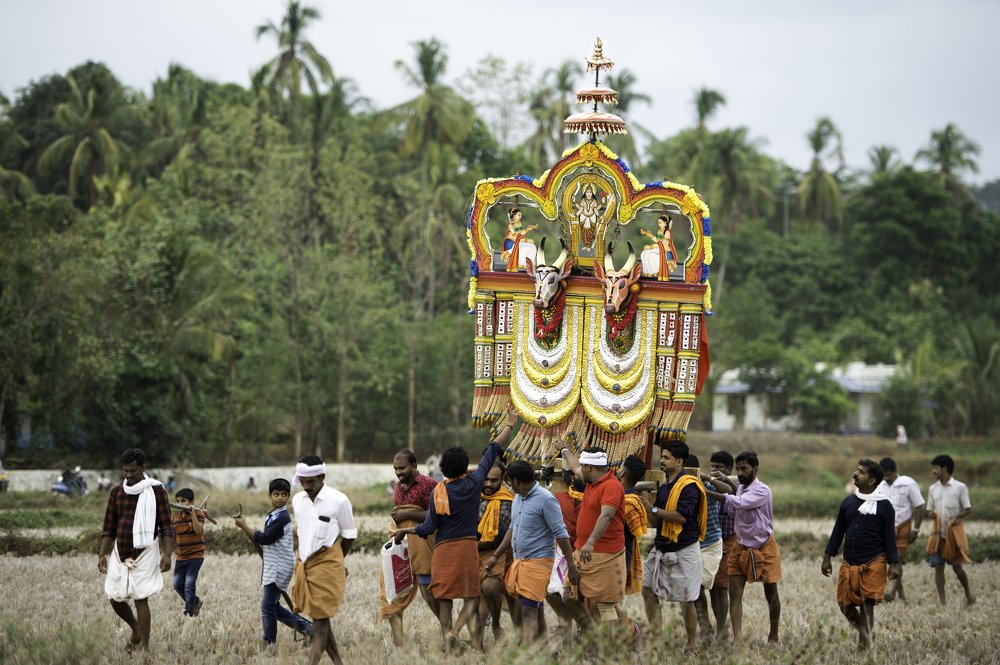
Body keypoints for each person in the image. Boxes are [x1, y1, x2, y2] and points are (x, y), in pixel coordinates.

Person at [393, 410, 515, 653]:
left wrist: (406, 531)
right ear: (464, 467)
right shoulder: (474, 483)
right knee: (471, 597)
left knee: (444, 600)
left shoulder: (439, 490)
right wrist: (509, 425)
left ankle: (448, 648)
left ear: (444, 469)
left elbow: (429, 527)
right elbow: (491, 451)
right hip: (467, 548)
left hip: (443, 551)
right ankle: (459, 634)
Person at [554, 441, 640, 647]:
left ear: (590, 468)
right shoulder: (592, 479)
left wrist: (591, 542)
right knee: (569, 597)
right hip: (582, 553)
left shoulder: (611, 486)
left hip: (606, 554)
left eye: (583, 467)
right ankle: (595, 636)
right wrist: (564, 449)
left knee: (605, 607)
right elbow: (574, 466)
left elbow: (607, 515)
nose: (578, 471)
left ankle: (615, 646)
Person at [486, 460, 580, 645]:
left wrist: (571, 566)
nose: (509, 486)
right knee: (534, 609)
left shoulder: (546, 499)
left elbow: (561, 534)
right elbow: (513, 528)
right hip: (521, 562)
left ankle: (527, 654)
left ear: (516, 481)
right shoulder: (518, 497)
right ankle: (541, 649)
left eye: (509, 482)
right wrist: (496, 556)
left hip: (539, 563)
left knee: (528, 611)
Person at [98, 448, 174, 654]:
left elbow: (166, 525)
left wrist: (167, 554)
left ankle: (145, 647)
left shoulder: (157, 490)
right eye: (126, 471)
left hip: (145, 552)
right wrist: (102, 554)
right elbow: (109, 527)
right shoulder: (117, 492)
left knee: (141, 598)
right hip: (119, 552)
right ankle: (136, 628)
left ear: (143, 467)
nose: (129, 475)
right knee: (114, 597)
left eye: (133, 471)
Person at [704, 450, 781, 648]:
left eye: (744, 468)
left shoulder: (762, 490)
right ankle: (738, 640)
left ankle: (774, 633)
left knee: (771, 594)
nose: (740, 472)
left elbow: (738, 503)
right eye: (738, 469)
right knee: (734, 593)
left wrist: (708, 490)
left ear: (755, 469)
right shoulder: (740, 489)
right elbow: (733, 504)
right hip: (741, 547)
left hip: (764, 546)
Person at [822, 459, 901, 651]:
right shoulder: (848, 502)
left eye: (862, 472)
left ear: (872, 480)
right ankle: (865, 632)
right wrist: (827, 557)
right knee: (844, 606)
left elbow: (890, 537)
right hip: (849, 561)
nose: (856, 474)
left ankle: (864, 645)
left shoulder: (885, 506)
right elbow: (838, 531)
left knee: (868, 604)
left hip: (874, 561)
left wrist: (894, 563)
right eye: (857, 471)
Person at [639, 442, 706, 654]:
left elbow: (681, 517)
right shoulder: (666, 486)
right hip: (661, 548)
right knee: (647, 589)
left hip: (684, 549)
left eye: (666, 457)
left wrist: (654, 509)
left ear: (679, 461)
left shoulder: (689, 486)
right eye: (662, 456)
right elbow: (659, 520)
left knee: (687, 599)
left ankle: (691, 644)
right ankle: (657, 639)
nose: (662, 461)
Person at [291, 454, 358, 665]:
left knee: (319, 623)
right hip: (304, 566)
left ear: (322, 477)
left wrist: (336, 560)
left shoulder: (339, 500)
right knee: (322, 620)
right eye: (302, 481)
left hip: (327, 567)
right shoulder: (297, 501)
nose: (306, 486)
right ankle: (338, 662)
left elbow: (349, 535)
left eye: (310, 482)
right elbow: (302, 533)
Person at [232, 478, 313, 645]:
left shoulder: (281, 517)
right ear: (270, 495)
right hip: (275, 566)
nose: (280, 498)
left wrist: (244, 526)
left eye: (284, 495)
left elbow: (265, 538)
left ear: (288, 497)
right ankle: (307, 629)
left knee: (268, 606)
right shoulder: (274, 515)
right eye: (276, 494)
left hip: (279, 567)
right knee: (271, 606)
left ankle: (271, 640)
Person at [381, 448, 439, 647]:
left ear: (414, 466)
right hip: (401, 544)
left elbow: (436, 515)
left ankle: (449, 631)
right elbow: (399, 513)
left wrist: (407, 516)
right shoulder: (398, 486)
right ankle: (398, 642)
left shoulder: (429, 485)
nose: (398, 472)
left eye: (402, 468)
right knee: (394, 590)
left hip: (422, 543)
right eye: (396, 468)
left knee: (427, 589)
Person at [926, 454, 974, 606]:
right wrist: (932, 514)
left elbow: (967, 509)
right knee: (938, 568)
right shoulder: (932, 489)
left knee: (958, 569)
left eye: (936, 468)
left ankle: (968, 594)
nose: (933, 471)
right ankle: (943, 603)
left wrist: (957, 518)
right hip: (938, 534)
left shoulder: (960, 487)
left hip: (953, 535)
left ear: (945, 469)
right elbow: (930, 509)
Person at [476, 459, 516, 644]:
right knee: (477, 596)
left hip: (497, 551)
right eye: (486, 479)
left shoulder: (508, 499)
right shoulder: (474, 496)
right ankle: (477, 642)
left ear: (503, 479)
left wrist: (470, 546)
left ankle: (498, 625)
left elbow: (498, 538)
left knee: (492, 588)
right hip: (473, 551)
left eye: (494, 480)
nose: (488, 484)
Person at [876, 457, 925, 602]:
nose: (887, 478)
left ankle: (891, 593)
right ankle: (902, 596)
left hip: (903, 526)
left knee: (896, 559)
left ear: (895, 471)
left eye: (889, 475)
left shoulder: (908, 484)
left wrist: (916, 530)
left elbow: (920, 507)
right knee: (890, 561)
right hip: (886, 528)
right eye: (884, 476)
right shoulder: (881, 486)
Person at [688, 454, 723, 642]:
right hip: (691, 545)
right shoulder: (677, 488)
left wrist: (707, 479)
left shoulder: (705, 486)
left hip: (710, 543)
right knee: (695, 589)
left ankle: (716, 629)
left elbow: (727, 492)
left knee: (704, 587)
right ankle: (705, 626)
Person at [704, 450, 737, 642]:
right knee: (712, 586)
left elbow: (730, 493)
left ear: (728, 470)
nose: (715, 470)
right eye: (713, 466)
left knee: (722, 587)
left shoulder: (733, 486)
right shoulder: (709, 484)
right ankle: (720, 628)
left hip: (729, 540)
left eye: (719, 467)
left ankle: (722, 629)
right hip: (713, 541)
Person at [171, 488, 206, 617]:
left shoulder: (198, 513)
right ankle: (195, 601)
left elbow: (198, 531)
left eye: (184, 501)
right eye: (178, 501)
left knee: (189, 583)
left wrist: (192, 514)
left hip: (196, 555)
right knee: (177, 584)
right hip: (181, 555)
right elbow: (172, 535)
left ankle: (190, 611)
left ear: (191, 502)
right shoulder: (175, 517)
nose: (180, 503)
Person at [639, 214, 679, 280]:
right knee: (644, 253)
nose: (658, 224)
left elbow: (664, 243)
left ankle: (655, 271)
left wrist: (652, 246)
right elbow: (657, 240)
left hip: (664, 249)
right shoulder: (659, 231)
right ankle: (649, 273)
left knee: (649, 254)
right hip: (659, 247)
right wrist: (648, 234)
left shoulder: (667, 232)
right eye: (658, 223)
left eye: (660, 223)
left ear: (665, 223)